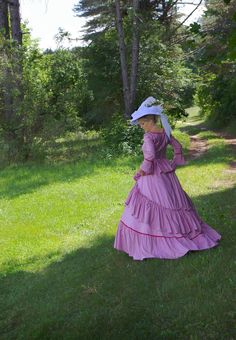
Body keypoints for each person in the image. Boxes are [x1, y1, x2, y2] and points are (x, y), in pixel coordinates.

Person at [114, 96, 221, 260]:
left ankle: (162, 241)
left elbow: (149, 157)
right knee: (173, 203)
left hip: (153, 175)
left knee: (152, 205)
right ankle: (182, 234)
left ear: (150, 120)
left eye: (143, 123)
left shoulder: (149, 136)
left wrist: (141, 172)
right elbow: (177, 146)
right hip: (166, 171)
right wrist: (174, 161)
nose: (142, 127)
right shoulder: (165, 132)